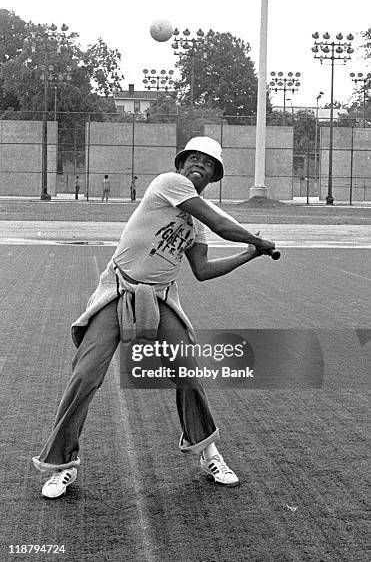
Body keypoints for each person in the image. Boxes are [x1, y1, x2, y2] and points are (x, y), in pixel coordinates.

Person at [32, 136, 275, 498]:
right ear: (180, 165)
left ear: (214, 174)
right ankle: (60, 466)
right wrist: (259, 242)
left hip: (161, 298)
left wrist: (250, 255)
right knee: (86, 374)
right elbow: (225, 225)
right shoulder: (168, 184)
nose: (198, 165)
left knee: (187, 371)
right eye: (192, 158)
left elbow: (204, 269)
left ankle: (208, 451)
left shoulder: (196, 224)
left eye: (206, 163)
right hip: (119, 290)